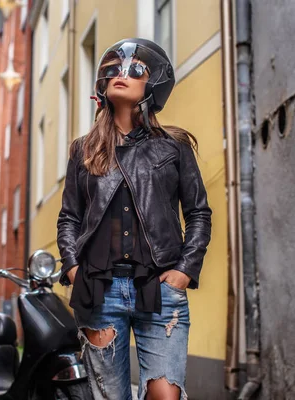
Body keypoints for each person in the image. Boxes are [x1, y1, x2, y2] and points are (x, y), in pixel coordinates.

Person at [57, 38, 212, 400]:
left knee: (165, 395)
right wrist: (72, 268)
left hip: (160, 288)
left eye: (135, 70)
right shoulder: (84, 149)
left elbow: (198, 213)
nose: (120, 75)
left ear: (153, 84)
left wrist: (184, 270)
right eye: (112, 69)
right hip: (98, 290)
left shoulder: (173, 146)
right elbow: (69, 218)